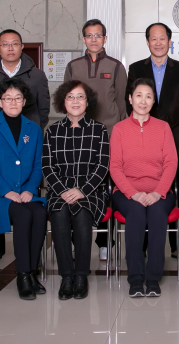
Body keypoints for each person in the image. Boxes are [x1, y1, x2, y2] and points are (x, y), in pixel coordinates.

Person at [0, 29, 50, 267]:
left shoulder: (37, 75)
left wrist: (32, 130)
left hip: (25, 139)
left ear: (22, 47)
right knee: (18, 210)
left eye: (15, 43)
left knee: (35, 210)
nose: (10, 48)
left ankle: (30, 266)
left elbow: (43, 108)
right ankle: (0, 252)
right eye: (5, 44)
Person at [0, 77, 47, 300]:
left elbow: (38, 165)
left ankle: (32, 271)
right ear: (0, 102)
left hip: (25, 191)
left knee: (40, 212)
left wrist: (30, 189)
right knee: (23, 214)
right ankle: (23, 275)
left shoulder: (34, 129)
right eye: (8, 98)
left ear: (24, 101)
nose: (13, 102)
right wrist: (7, 192)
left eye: (18, 98)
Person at [127, 23, 179, 262]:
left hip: (175, 138)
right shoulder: (135, 68)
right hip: (140, 140)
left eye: (162, 38)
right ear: (147, 42)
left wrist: (157, 126)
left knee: (178, 193)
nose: (158, 42)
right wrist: (147, 125)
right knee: (144, 191)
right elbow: (131, 101)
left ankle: (178, 246)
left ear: (169, 41)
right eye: (153, 38)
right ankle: (143, 247)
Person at [65, 19, 128, 261]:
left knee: (105, 190)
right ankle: (76, 242)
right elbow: (68, 100)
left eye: (98, 35)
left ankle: (105, 242)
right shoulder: (73, 66)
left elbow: (122, 104)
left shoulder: (116, 66)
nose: (94, 39)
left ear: (105, 39)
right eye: (89, 35)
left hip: (108, 138)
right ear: (83, 39)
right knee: (77, 188)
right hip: (79, 138)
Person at [111, 78, 178, 298]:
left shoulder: (163, 127)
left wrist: (158, 192)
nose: (143, 100)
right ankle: (136, 279)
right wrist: (133, 193)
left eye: (149, 96)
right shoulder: (119, 129)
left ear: (154, 101)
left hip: (160, 191)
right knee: (137, 213)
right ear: (130, 99)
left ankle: (153, 278)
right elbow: (115, 167)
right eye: (139, 95)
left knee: (157, 213)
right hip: (126, 192)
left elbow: (171, 163)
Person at [43, 81, 110, 300]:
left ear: (87, 102)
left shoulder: (99, 130)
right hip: (59, 190)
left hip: (90, 190)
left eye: (80, 97)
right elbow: (48, 167)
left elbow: (102, 166)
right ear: (63, 101)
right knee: (59, 214)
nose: (75, 101)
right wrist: (63, 191)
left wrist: (82, 190)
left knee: (81, 214)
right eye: (70, 97)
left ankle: (81, 276)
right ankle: (66, 276)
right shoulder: (52, 131)